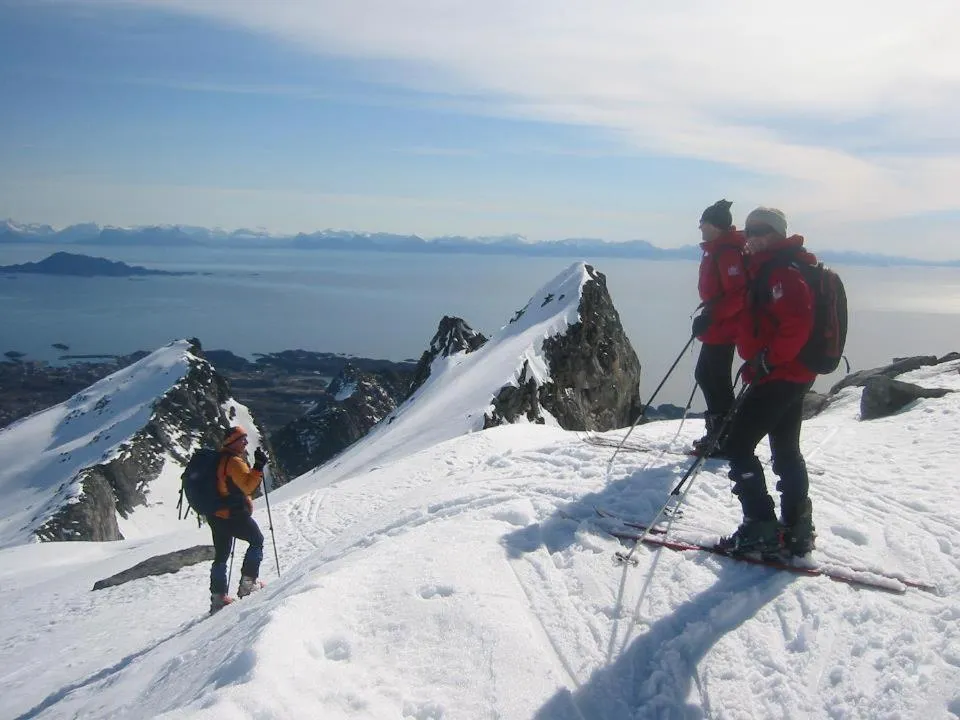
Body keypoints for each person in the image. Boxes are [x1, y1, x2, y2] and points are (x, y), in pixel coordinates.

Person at [717, 207, 817, 558]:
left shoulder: (780, 274)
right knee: (786, 450)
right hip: (793, 374)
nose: (753, 237)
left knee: (737, 443)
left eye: (761, 230)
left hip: (780, 375)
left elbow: (797, 324)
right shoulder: (779, 266)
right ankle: (796, 529)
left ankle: (760, 526)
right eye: (749, 231)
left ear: (777, 233)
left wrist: (767, 360)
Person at [690, 199, 747, 457]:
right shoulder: (717, 249)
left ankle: (725, 436)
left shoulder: (727, 252)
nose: (700, 226)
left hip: (724, 327)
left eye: (704, 222)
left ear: (715, 226)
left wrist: (713, 315)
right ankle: (721, 433)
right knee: (706, 375)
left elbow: (738, 295)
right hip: (717, 325)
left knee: (716, 378)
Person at [209, 425, 268, 613]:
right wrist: (258, 466)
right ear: (233, 442)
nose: (245, 442)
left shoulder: (217, 459)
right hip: (233, 514)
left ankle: (218, 597)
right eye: (242, 439)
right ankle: (247, 584)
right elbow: (248, 487)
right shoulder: (234, 462)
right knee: (257, 541)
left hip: (215, 514)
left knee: (221, 555)